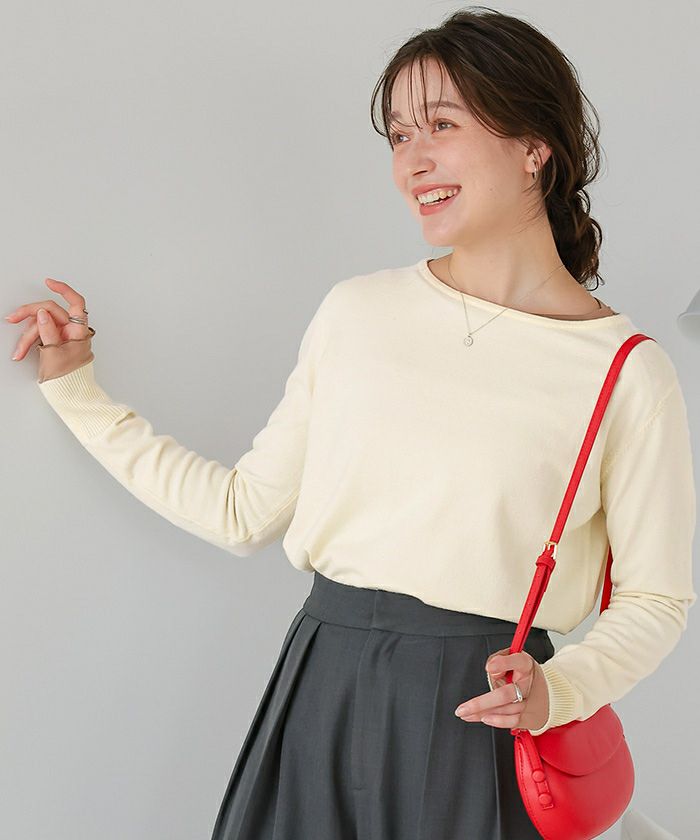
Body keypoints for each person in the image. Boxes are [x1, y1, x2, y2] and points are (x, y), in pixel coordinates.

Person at [6, 7, 696, 840]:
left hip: (483, 714)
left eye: (442, 125)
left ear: (533, 146)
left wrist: (564, 689)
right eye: (399, 136)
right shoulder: (358, 314)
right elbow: (240, 511)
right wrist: (77, 389)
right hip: (322, 690)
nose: (413, 161)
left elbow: (656, 597)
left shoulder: (623, 371)